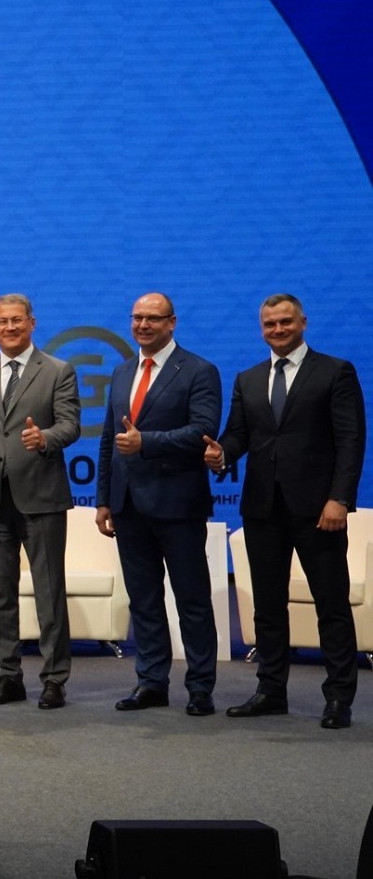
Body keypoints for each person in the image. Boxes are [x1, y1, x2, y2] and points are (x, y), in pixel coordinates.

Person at [204, 294, 364, 729]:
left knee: (331, 604)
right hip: (262, 509)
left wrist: (339, 499)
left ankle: (339, 698)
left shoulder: (335, 371)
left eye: (285, 322)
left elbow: (351, 440)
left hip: (319, 510)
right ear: (262, 329)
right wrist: (221, 454)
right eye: (270, 324)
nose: (277, 330)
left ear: (303, 322)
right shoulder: (249, 378)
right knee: (268, 607)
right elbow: (237, 436)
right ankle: (271, 691)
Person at [97, 293, 221, 716]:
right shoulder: (122, 371)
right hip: (128, 505)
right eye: (137, 318)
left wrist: (145, 442)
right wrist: (103, 499)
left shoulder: (199, 370)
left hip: (178, 504)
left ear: (172, 323)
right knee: (144, 600)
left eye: (153, 318)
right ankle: (151, 682)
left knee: (192, 600)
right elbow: (109, 439)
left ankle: (200, 687)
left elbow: (203, 430)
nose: (143, 325)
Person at [0, 295, 81, 710]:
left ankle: (54, 678)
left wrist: (44, 438)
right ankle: (8, 674)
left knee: (49, 591)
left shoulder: (57, 370)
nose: (10, 327)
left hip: (41, 495)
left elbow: (70, 424)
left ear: (32, 323)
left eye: (17, 320)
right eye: (2, 321)